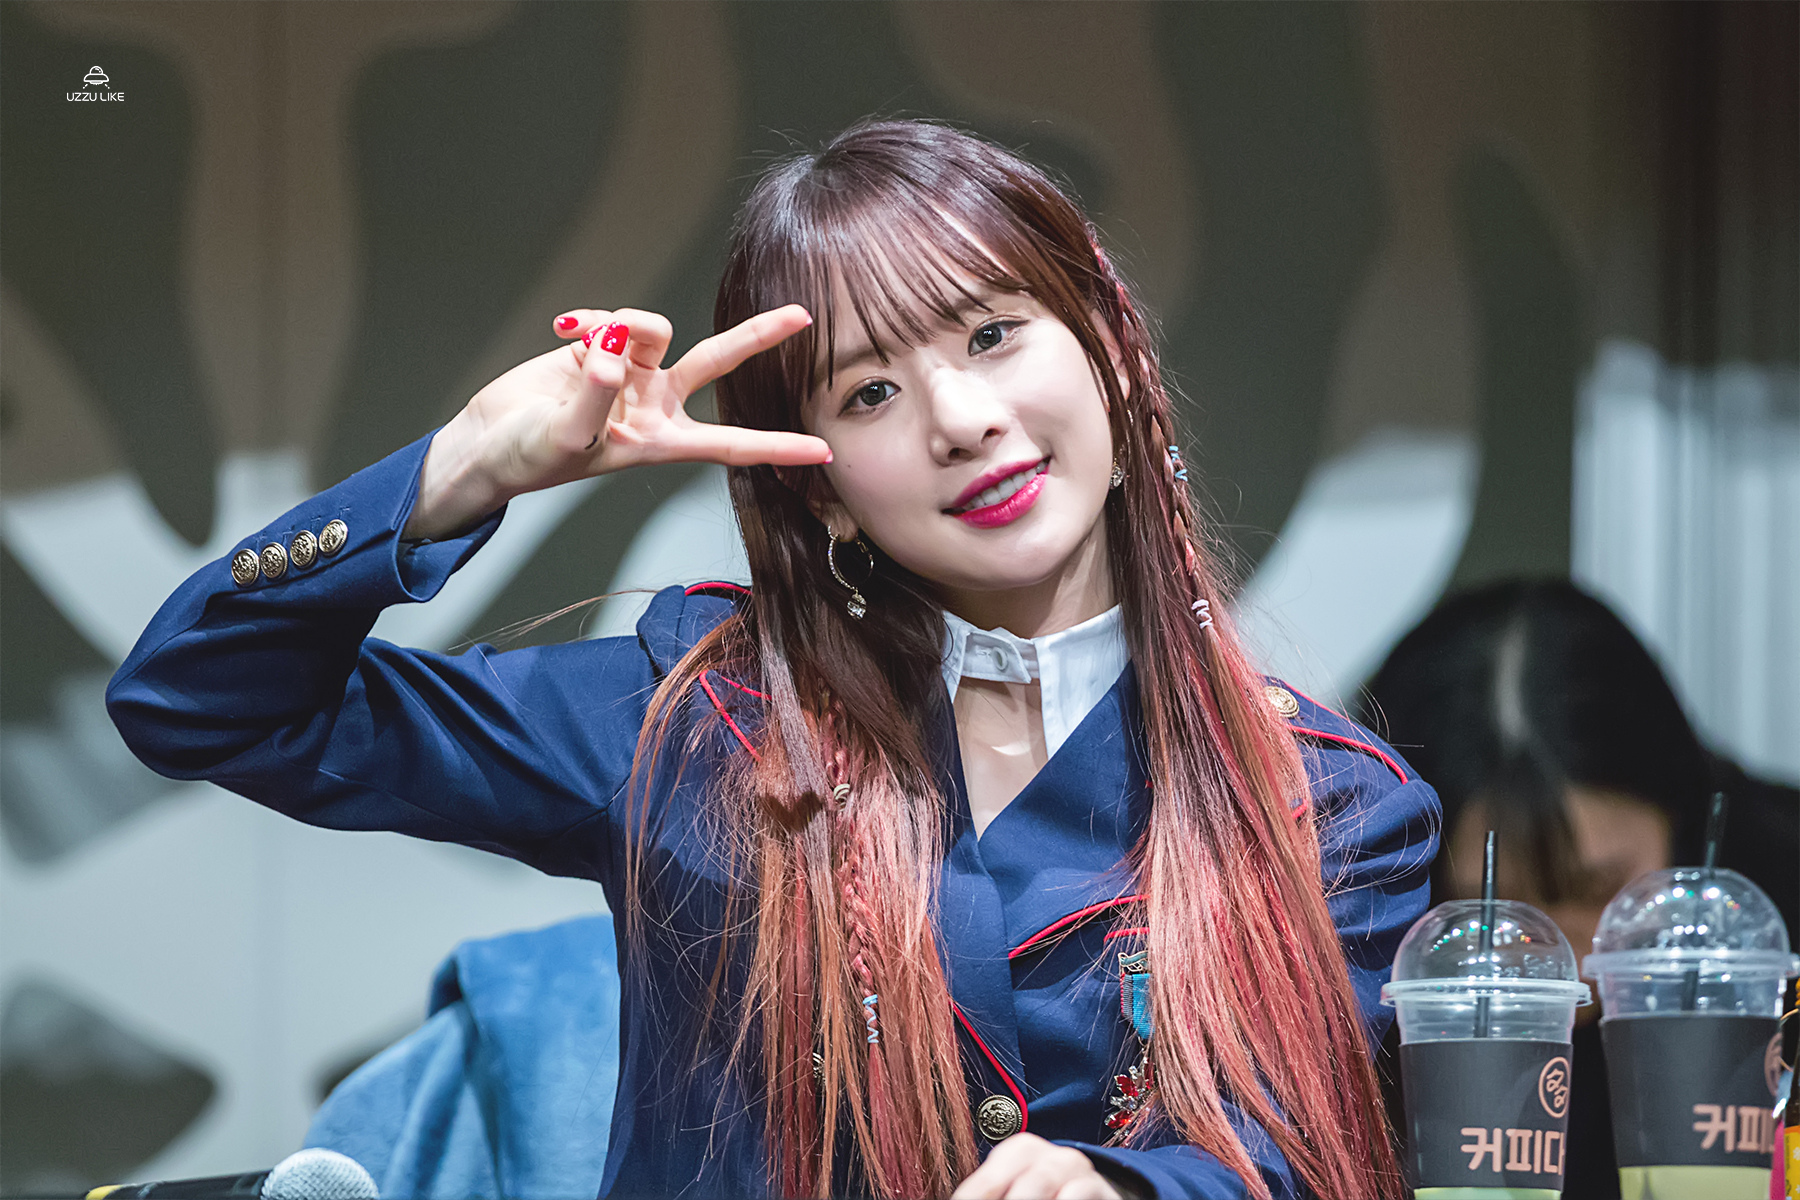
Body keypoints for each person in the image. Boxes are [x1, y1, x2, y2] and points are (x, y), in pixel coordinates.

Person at [107, 120, 1438, 1200]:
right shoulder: (692, 721)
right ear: (821, 490)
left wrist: (1123, 1189)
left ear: (1117, 360)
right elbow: (198, 699)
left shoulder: (1328, 802)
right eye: (870, 392)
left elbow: (1300, 1157)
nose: (962, 419)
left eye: (993, 334)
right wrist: (465, 469)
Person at [1360, 577, 1799, 1199]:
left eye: (1596, 887)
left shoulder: (1776, 901)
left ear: (1680, 811)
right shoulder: (1371, 984)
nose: (1560, 954)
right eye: (1500, 914)